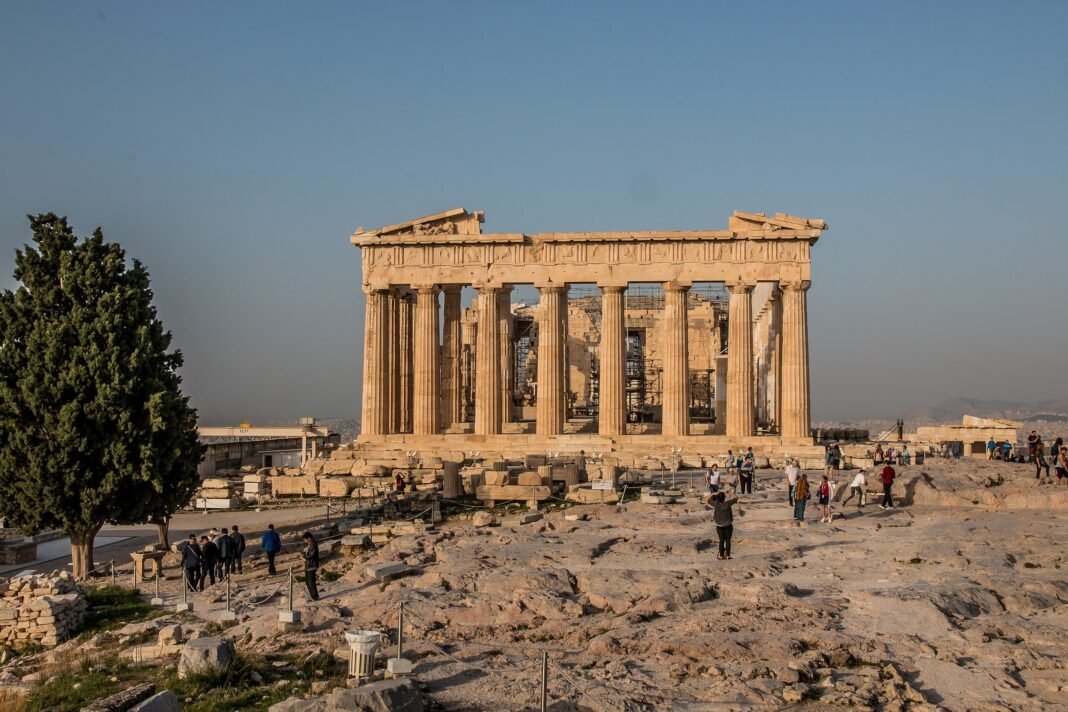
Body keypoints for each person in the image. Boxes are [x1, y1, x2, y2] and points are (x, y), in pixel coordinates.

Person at [711, 491, 738, 560]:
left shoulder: (715, 504)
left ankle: (721, 555)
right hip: (728, 525)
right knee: (728, 540)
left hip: (719, 525)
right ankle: (728, 555)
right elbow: (736, 498)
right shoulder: (728, 503)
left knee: (721, 540)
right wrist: (730, 493)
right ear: (724, 498)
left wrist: (712, 494)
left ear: (717, 498)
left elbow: (707, 500)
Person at [302, 531, 321, 601]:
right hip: (309, 565)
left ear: (309, 538)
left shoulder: (313, 544)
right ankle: (313, 596)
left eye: (305, 539)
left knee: (310, 582)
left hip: (311, 565)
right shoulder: (310, 544)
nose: (304, 541)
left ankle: (315, 596)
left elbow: (311, 555)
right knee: (308, 581)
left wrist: (303, 555)